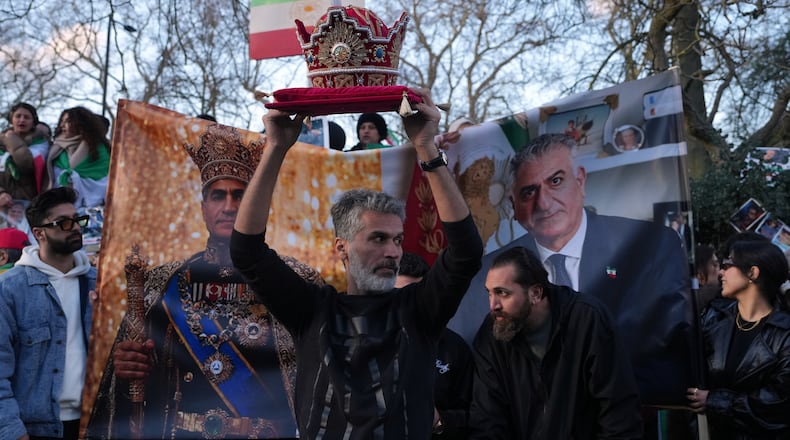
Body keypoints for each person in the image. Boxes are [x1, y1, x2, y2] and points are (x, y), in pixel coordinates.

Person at [230, 88, 483, 438]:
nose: (393, 252)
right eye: (378, 238)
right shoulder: (312, 310)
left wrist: (426, 146)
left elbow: (466, 253)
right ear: (342, 247)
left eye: (397, 239)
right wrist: (275, 148)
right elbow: (246, 251)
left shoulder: (419, 310)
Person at [85, 124, 322, 439]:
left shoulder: (297, 279)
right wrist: (131, 368)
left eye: (240, 195)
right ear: (203, 207)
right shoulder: (160, 282)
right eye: (217, 196)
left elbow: (321, 375)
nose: (229, 206)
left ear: (258, 201)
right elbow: (135, 392)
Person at [449, 133, 693, 406]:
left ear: (580, 181)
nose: (544, 203)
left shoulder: (650, 247)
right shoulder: (485, 274)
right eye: (529, 192)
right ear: (512, 206)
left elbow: (669, 354)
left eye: (556, 181)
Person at [470, 246, 642, 439]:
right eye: (489, 293)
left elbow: (618, 416)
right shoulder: (492, 331)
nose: (493, 305)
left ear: (535, 293)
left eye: (502, 293)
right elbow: (487, 420)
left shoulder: (587, 320)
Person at [0, 187, 96, 440]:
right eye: (64, 223)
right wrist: (11, 431)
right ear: (38, 233)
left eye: (78, 219)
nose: (76, 227)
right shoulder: (10, 289)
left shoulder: (99, 285)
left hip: (94, 422)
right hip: (34, 428)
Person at [687, 233, 790, 439]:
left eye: (727, 264)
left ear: (752, 272)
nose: (721, 272)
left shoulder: (784, 334)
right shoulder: (713, 317)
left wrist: (715, 401)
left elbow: (779, 402)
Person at [395, 252, 473, 440]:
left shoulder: (454, 348)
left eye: (414, 295)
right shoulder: (364, 339)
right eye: (398, 295)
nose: (407, 304)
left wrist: (438, 420)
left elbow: (477, 418)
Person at [46, 107, 111, 207]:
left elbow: (104, 181)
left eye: (68, 121)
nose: (62, 125)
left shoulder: (100, 149)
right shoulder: (56, 149)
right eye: (61, 121)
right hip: (58, 206)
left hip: (92, 209)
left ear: (81, 123)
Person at [0, 103, 49, 200]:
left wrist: (11, 139)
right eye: (18, 116)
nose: (22, 120)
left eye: (26, 117)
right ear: (11, 120)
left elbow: (26, 163)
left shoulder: (41, 144)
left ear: (33, 122)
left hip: (27, 202)